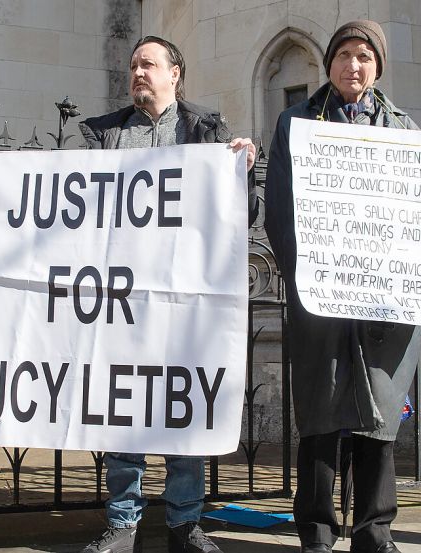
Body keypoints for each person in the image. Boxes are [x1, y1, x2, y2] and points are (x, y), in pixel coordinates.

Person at [76, 35, 258, 553]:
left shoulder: (206, 130)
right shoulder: (105, 135)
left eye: (148, 64)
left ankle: (183, 524)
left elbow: (241, 216)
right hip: (121, 299)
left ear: (175, 73)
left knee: (182, 408)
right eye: (133, 65)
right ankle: (123, 523)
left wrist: (240, 173)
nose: (138, 72)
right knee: (122, 411)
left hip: (184, 298)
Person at [263, 20, 421, 553]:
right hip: (320, 298)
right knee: (322, 412)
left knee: (379, 414)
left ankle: (375, 530)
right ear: (327, 64)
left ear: (377, 67)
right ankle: (316, 529)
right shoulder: (295, 122)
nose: (354, 66)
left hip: (384, 301)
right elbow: (280, 210)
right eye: (344, 55)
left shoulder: (405, 129)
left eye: (364, 57)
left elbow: (416, 215)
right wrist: (304, 277)